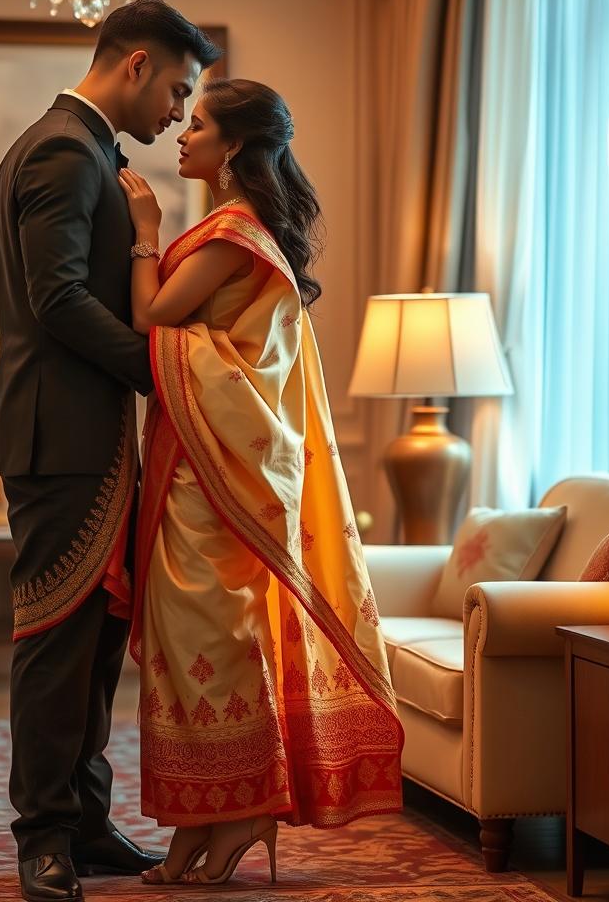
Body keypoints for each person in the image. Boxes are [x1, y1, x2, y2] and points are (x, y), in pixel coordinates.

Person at [116, 79, 404, 887]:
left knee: (211, 642)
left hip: (216, 485)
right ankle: (198, 822)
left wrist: (146, 233)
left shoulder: (231, 233)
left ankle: (240, 809)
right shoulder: (233, 228)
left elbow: (153, 321)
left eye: (198, 124)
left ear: (233, 147)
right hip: (205, 466)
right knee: (189, 646)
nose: (181, 133)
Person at [0, 0, 222, 902]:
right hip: (59, 442)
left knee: (96, 642)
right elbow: (59, 302)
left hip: (92, 442)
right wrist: (168, 372)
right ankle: (41, 835)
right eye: (176, 88)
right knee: (55, 641)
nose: (176, 111)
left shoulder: (84, 150)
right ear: (133, 65)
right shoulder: (61, 148)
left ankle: (83, 824)